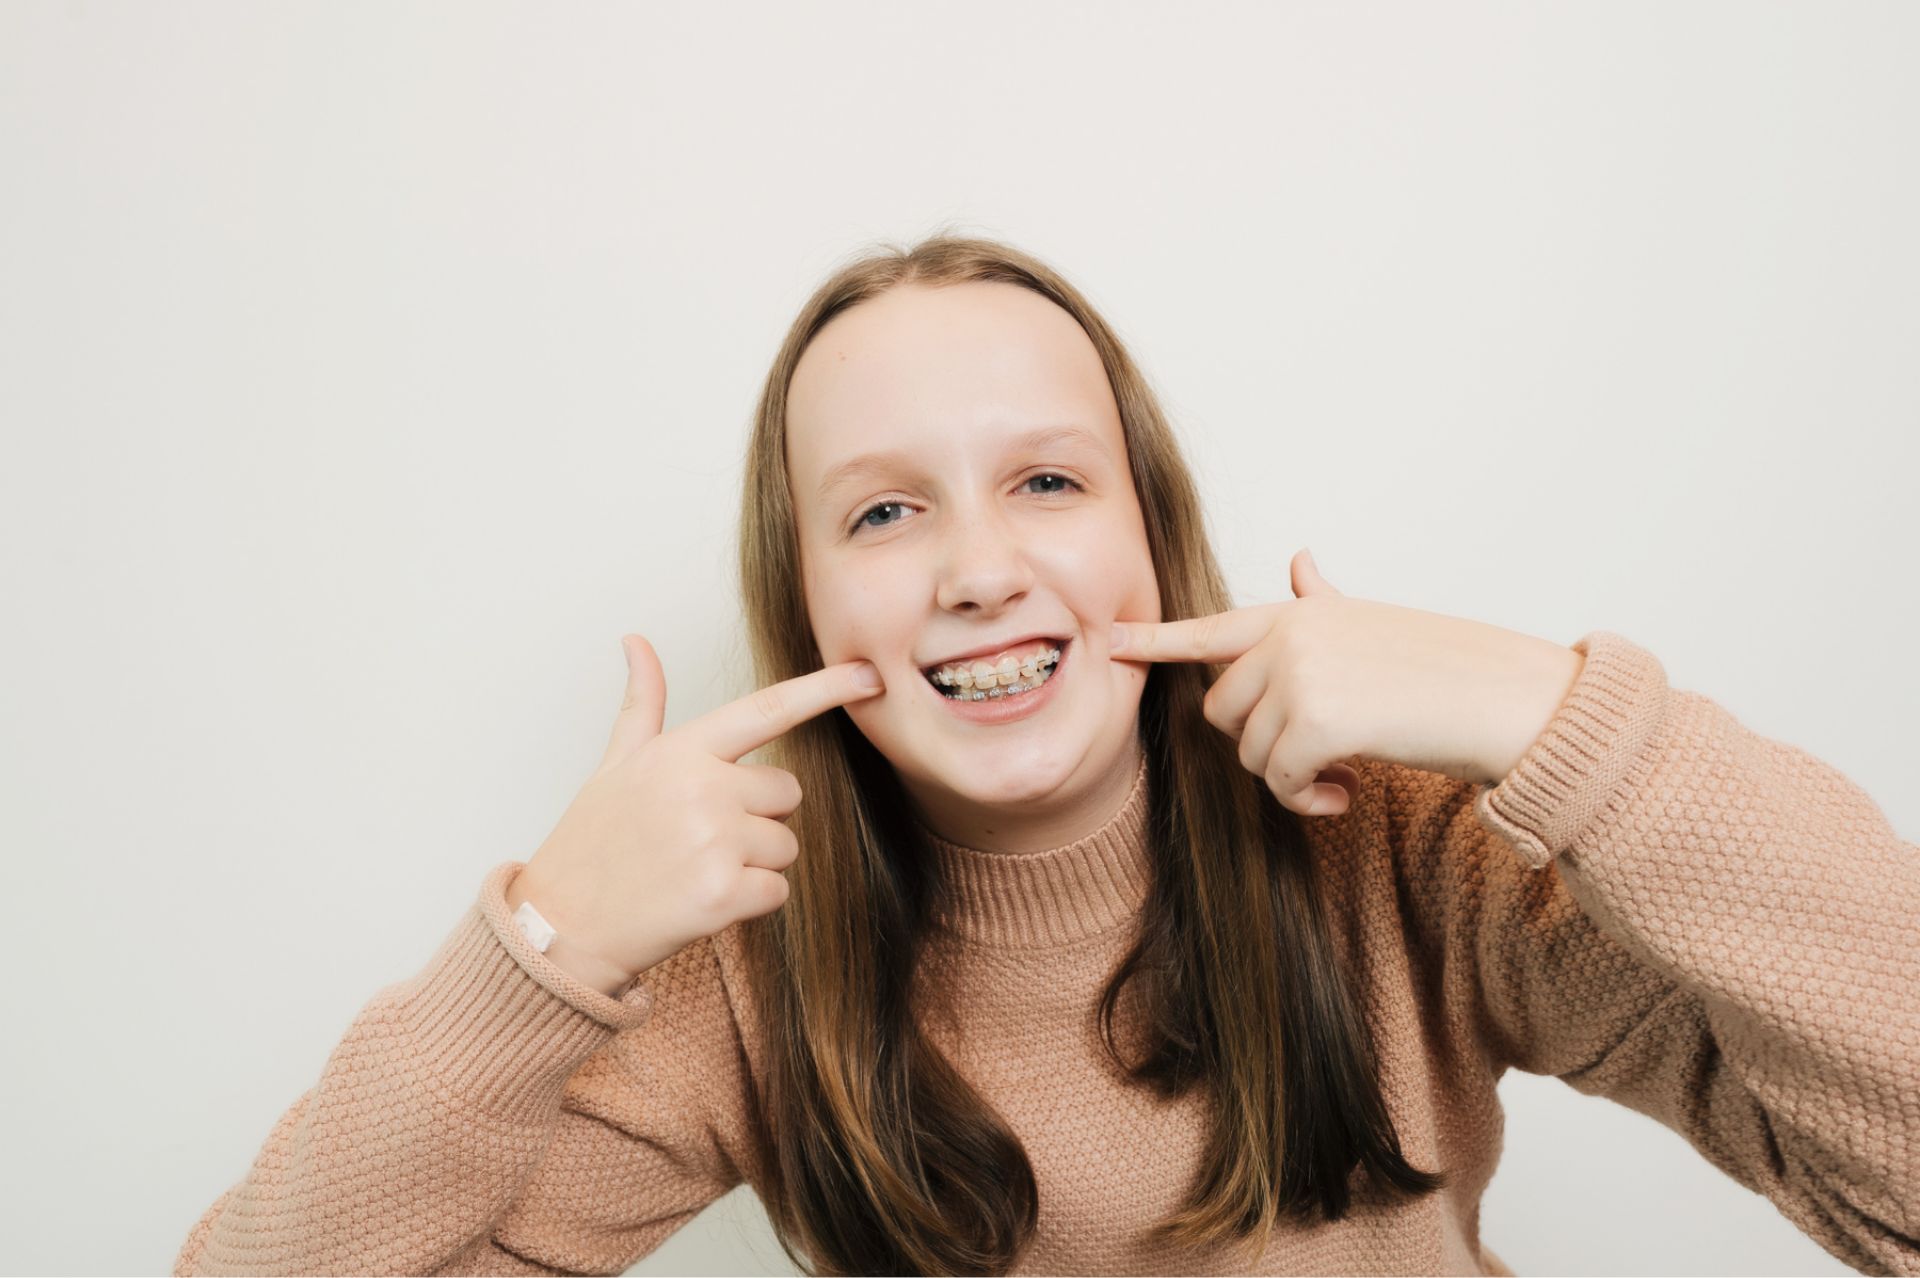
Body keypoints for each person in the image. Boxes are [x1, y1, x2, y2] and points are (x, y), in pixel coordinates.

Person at [174, 235, 1919, 1277]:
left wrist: (1553, 715)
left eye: (1049, 482)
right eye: (882, 509)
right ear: (803, 599)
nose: (979, 566)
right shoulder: (741, 981)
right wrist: (543, 952)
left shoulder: (1401, 849)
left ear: (1152, 538)